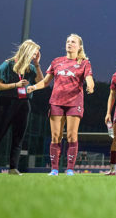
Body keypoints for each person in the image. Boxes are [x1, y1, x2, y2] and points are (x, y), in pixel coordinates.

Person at [33, 34, 94, 176]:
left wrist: (90, 85)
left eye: (73, 42)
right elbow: (46, 81)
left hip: (74, 103)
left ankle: (70, 169)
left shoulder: (84, 63)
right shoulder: (56, 61)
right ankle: (54, 169)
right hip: (56, 102)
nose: (69, 43)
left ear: (79, 47)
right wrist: (33, 87)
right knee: (56, 136)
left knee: (72, 136)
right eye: (68, 41)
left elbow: (89, 78)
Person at [0, 40, 43, 175]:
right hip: (7, 103)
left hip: (24, 104)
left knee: (18, 137)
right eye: (33, 54)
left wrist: (37, 64)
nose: (34, 57)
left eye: (36, 55)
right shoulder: (7, 65)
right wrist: (16, 85)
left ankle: (13, 168)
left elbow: (41, 82)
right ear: (26, 52)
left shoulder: (31, 68)